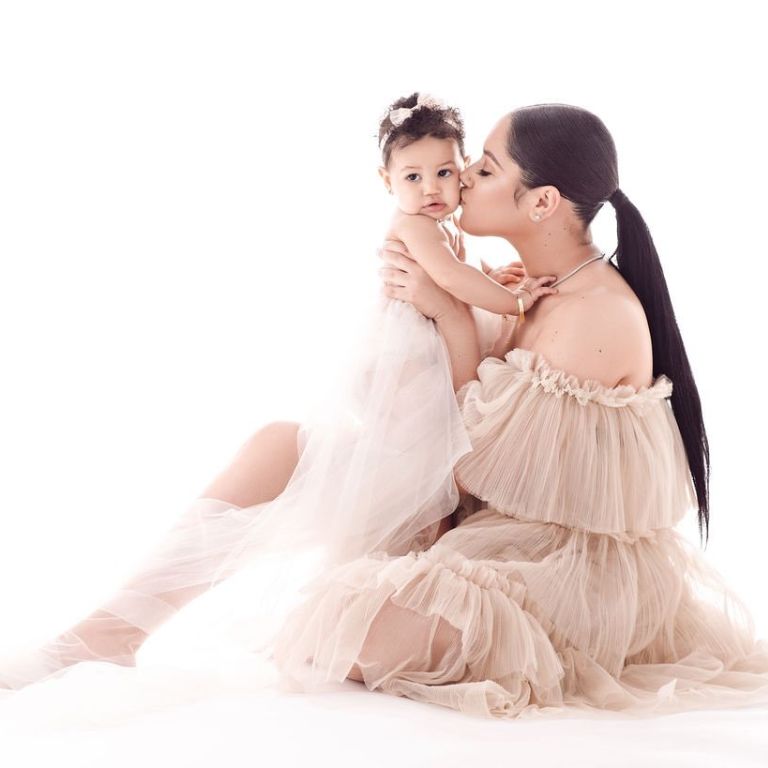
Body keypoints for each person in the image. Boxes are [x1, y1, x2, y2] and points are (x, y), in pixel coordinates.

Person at [4, 102, 768, 723]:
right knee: (281, 444)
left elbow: (480, 467)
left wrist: (451, 314)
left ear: (541, 201)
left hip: (554, 568)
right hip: (482, 520)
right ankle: (106, 635)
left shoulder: (596, 316)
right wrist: (442, 308)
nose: (461, 177)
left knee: (351, 630)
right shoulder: (531, 281)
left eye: (484, 166)